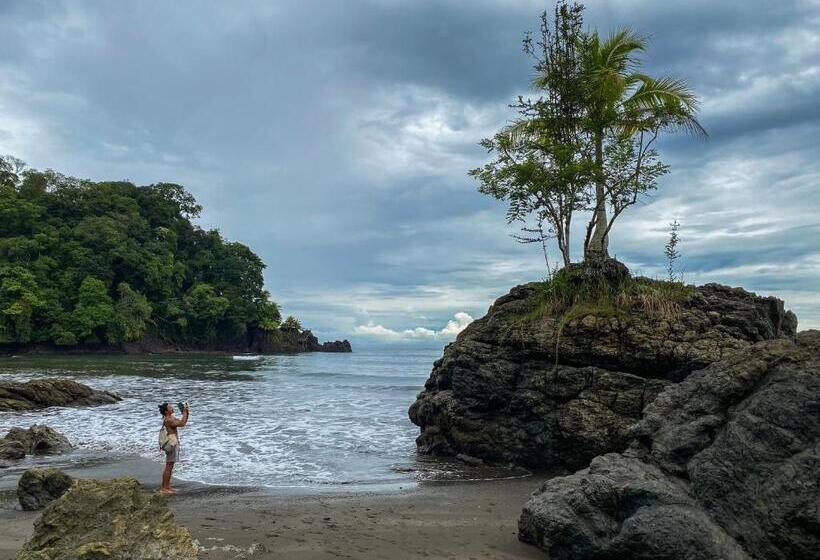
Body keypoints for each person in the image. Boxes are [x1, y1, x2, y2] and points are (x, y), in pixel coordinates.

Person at [158, 402, 189, 494]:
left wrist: (186, 413)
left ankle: (167, 486)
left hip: (173, 442)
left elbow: (183, 422)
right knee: (169, 466)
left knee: (170, 466)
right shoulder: (168, 420)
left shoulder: (170, 418)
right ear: (167, 411)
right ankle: (164, 488)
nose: (172, 407)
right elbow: (182, 423)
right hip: (171, 443)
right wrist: (185, 413)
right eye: (170, 407)